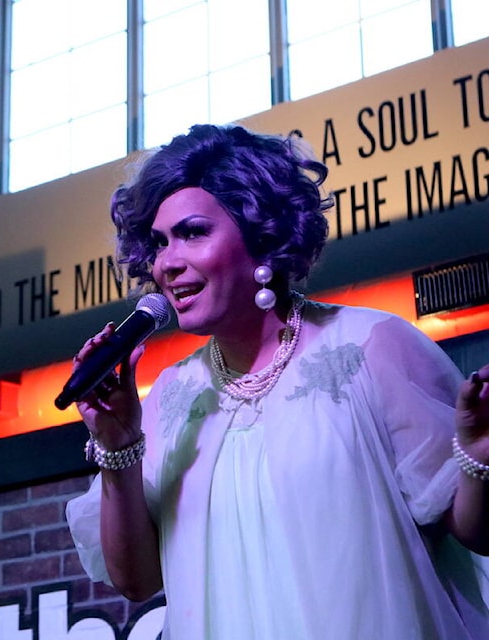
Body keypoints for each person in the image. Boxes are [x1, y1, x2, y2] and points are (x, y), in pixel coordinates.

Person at [65, 123, 489, 639]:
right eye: (158, 244)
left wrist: (480, 459)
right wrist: (118, 447)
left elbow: (474, 531)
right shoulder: (172, 397)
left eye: (193, 232)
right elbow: (135, 580)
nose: (167, 264)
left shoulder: (371, 346)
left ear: (261, 235)